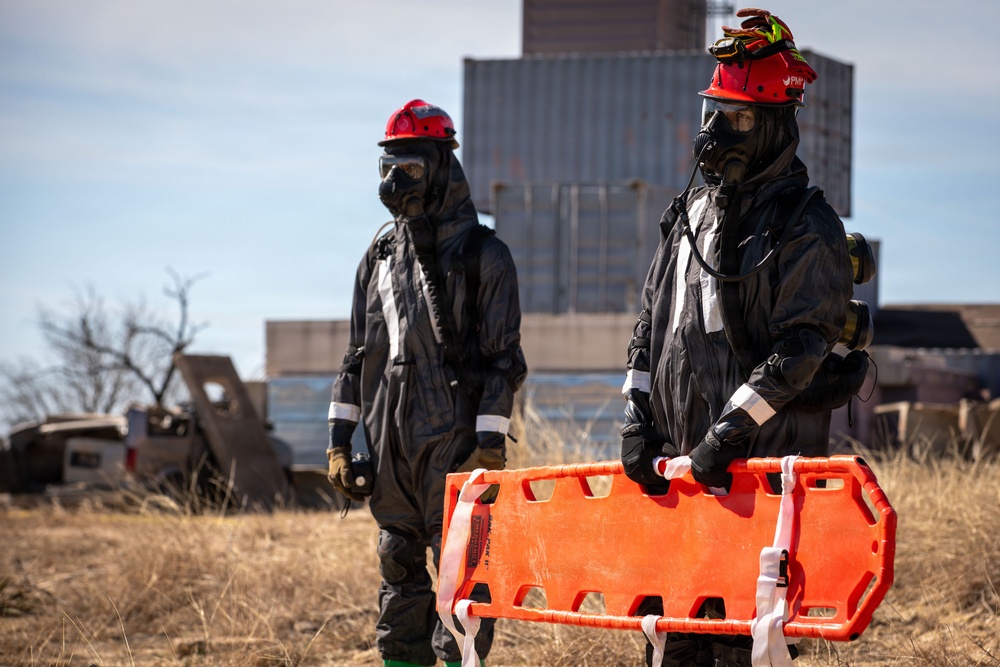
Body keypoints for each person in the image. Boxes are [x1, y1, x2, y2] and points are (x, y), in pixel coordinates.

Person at [619, 9, 869, 667]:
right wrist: (636, 419)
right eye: (714, 111)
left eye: (737, 117)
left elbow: (802, 346)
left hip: (755, 490)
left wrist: (727, 432)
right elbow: (649, 326)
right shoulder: (688, 215)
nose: (715, 131)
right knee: (669, 646)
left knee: (747, 649)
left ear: (774, 126)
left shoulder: (806, 224)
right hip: (680, 483)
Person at [326, 99, 527, 667]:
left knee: (463, 578)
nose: (394, 183)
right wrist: (339, 443)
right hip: (391, 447)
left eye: (409, 170)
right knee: (396, 563)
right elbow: (356, 355)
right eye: (386, 169)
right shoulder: (381, 253)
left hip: (456, 444)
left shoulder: (483, 255)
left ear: (440, 166)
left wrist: (489, 445)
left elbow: (503, 361)